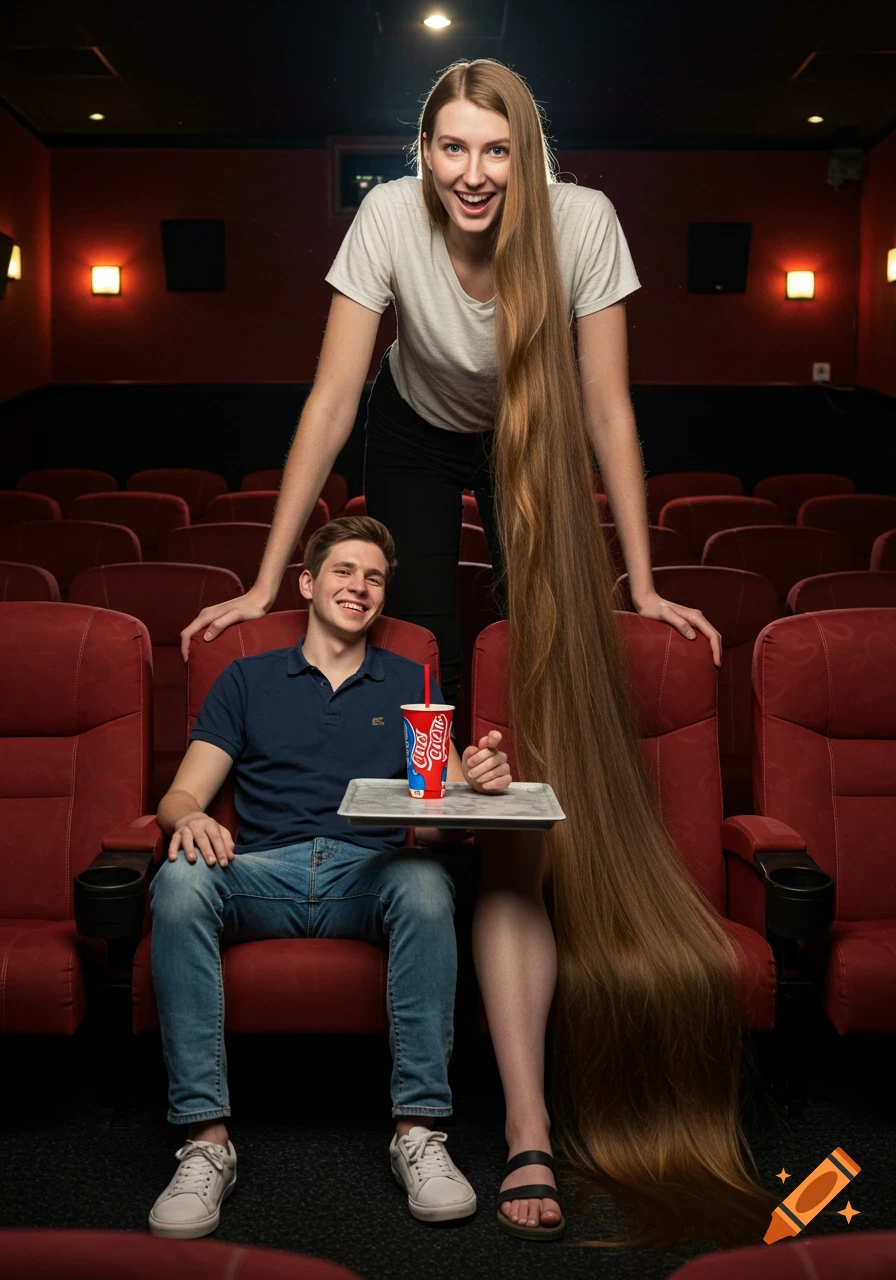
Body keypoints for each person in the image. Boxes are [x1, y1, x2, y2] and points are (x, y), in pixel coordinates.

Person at [181, 59, 776, 1251]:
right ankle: (426, 891)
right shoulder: (390, 215)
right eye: (450, 147)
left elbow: (606, 407)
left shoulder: (584, 218)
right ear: (421, 152)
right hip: (410, 422)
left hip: (532, 413)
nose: (472, 173)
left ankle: (503, 891)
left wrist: (642, 581)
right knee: (425, 650)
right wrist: (263, 569)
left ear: (530, 156)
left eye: (495, 150)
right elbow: (332, 395)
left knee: (526, 643)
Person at [149, 515, 512, 1239]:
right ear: (310, 583)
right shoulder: (246, 678)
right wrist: (188, 818)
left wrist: (478, 784)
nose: (360, 587)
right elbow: (180, 796)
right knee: (178, 880)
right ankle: (204, 1143)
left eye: (374, 577)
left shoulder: (412, 682)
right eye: (345, 571)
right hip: (263, 874)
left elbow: (434, 815)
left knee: (424, 881)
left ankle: (419, 1133)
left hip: (367, 873)